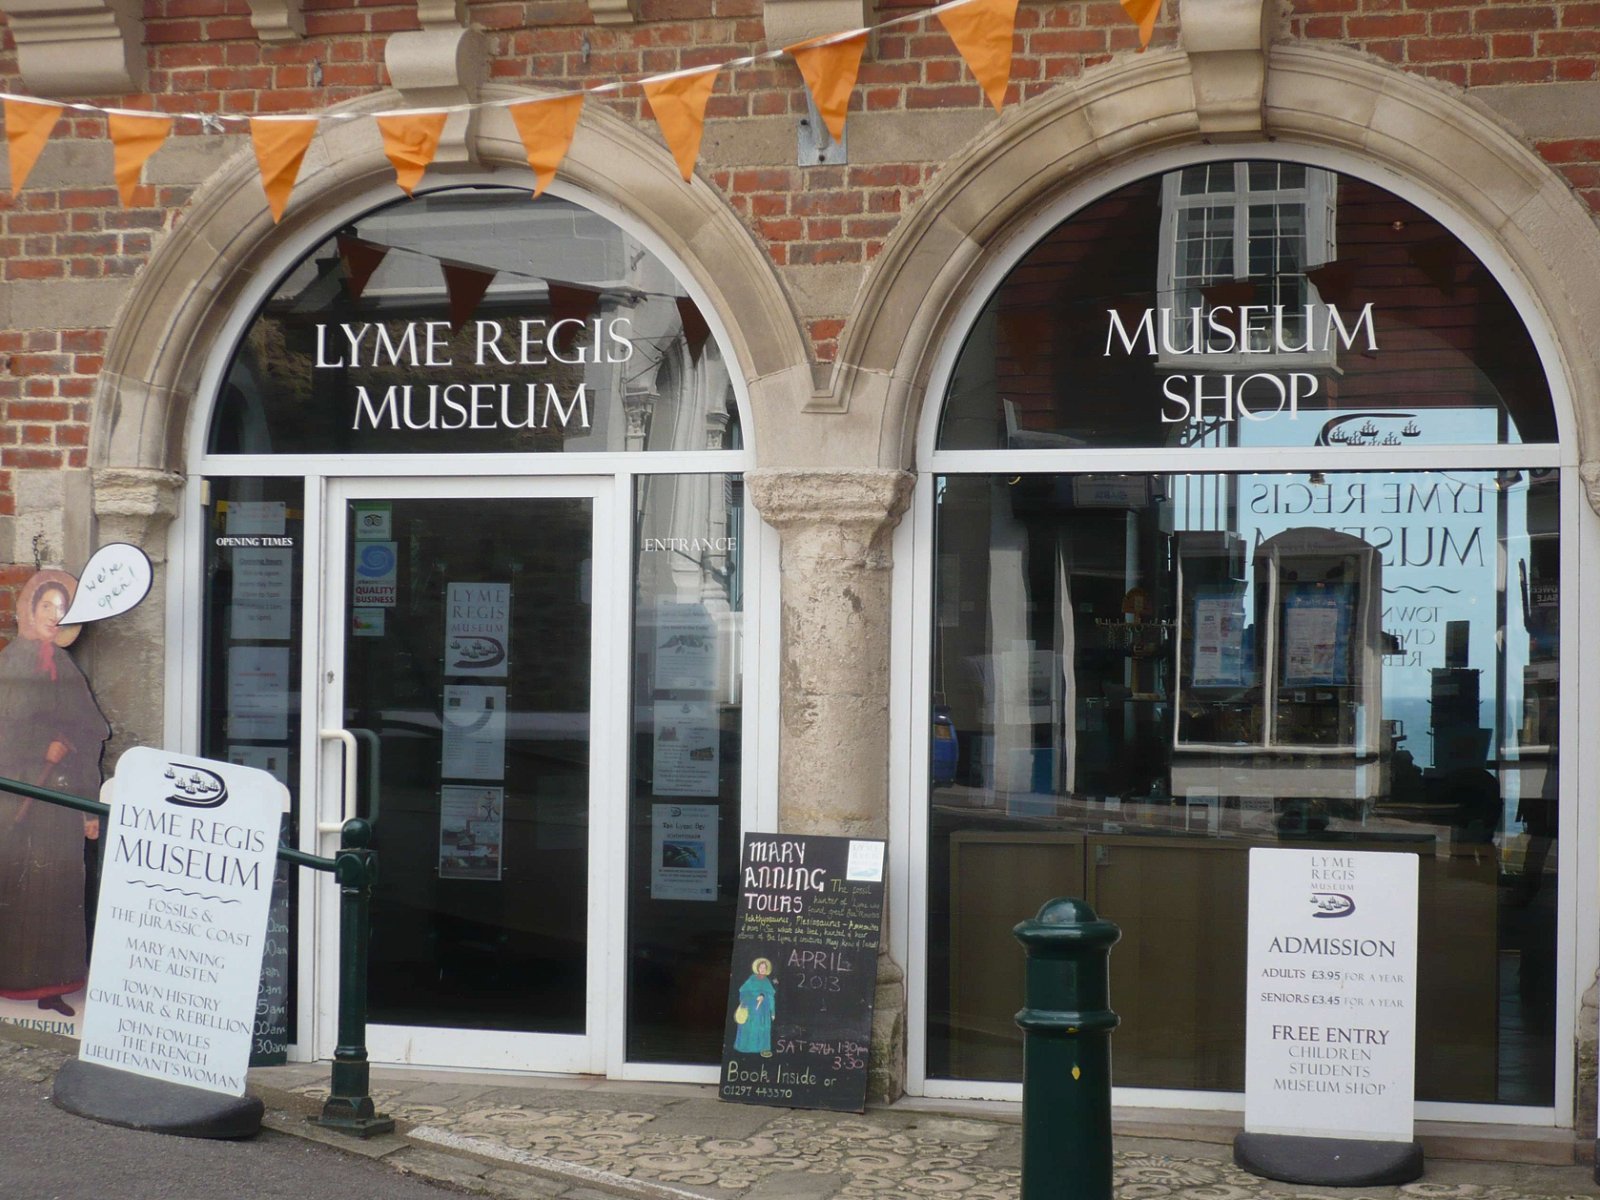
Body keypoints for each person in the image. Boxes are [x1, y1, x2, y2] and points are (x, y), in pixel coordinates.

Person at [0, 570, 109, 1018]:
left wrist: (71, 747)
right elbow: (6, 729)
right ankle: (14, 982)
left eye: (62, 609)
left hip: (61, 800)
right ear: (30, 610)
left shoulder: (64, 667)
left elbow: (93, 726)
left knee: (60, 892)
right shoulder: (12, 663)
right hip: (23, 798)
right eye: (46, 606)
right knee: (21, 890)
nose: (53, 615)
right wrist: (37, 748)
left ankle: (53, 987)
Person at [733, 956, 776, 1056]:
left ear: (767, 970)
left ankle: (764, 1049)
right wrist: (755, 997)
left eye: (764, 968)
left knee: (762, 1029)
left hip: (763, 1012)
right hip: (751, 1010)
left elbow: (771, 997)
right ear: (757, 968)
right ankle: (745, 1048)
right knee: (750, 1028)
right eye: (761, 967)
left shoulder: (767, 981)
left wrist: (772, 1011)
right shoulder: (751, 980)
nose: (762, 969)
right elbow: (743, 993)